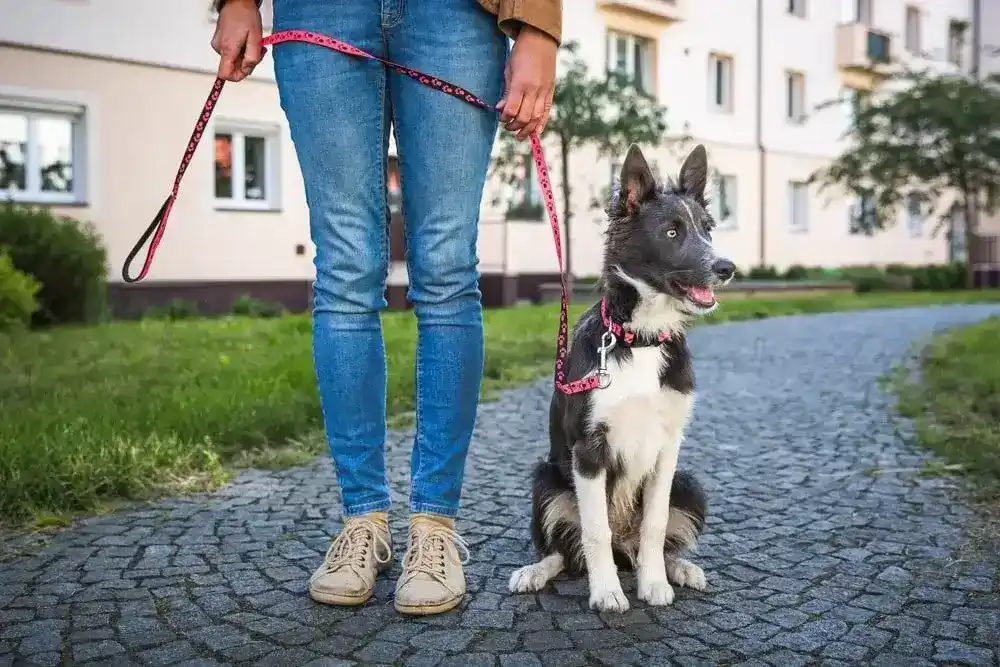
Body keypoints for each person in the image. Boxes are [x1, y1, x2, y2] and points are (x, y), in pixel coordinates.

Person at [211, 0, 561, 615]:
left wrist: (538, 28)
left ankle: (435, 528)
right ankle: (362, 522)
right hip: (322, 13)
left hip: (456, 15)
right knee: (345, 269)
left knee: (448, 267)